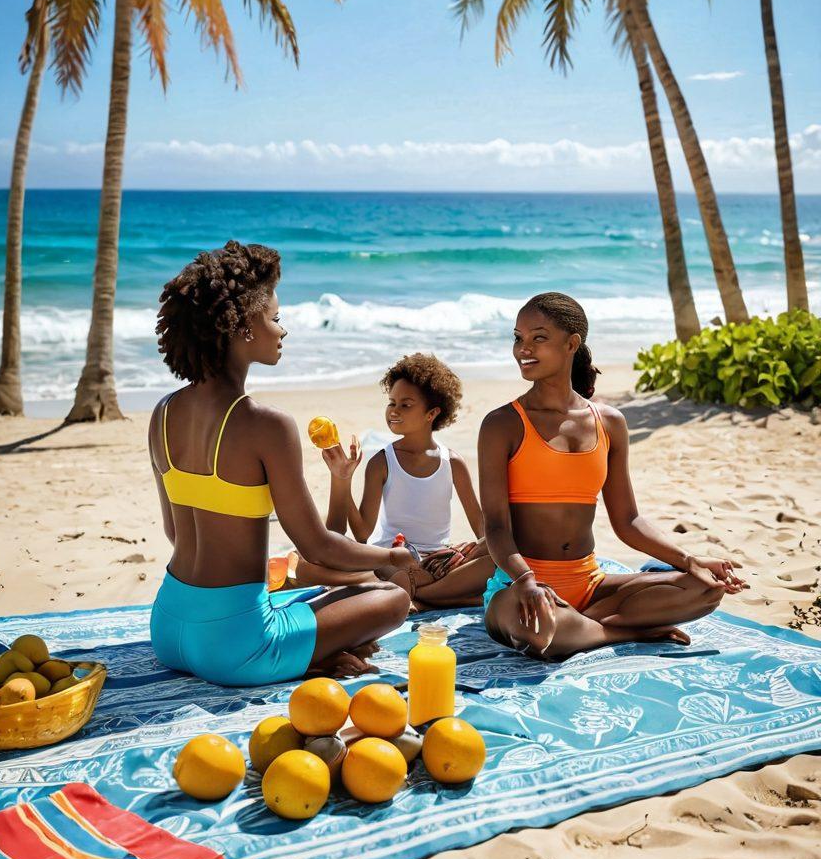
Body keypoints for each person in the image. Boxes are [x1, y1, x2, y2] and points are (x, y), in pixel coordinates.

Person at [147, 241, 413, 686]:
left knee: (314, 599)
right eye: (275, 318)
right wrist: (393, 555)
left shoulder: (163, 413)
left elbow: (176, 531)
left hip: (167, 626)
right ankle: (311, 659)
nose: (282, 330)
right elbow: (319, 548)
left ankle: (308, 649)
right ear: (244, 326)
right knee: (390, 597)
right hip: (235, 647)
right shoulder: (265, 424)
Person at [479, 291, 748, 659]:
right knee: (538, 631)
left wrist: (690, 561)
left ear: (572, 343)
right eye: (518, 337)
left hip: (589, 585)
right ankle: (617, 632)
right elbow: (495, 527)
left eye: (538, 337)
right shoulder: (502, 424)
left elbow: (628, 520)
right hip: (519, 588)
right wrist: (525, 580)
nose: (523, 348)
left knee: (707, 588)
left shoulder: (609, 423)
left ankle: (584, 626)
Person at [294, 353, 494, 608]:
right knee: (306, 566)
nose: (394, 411)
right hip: (391, 561)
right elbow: (363, 533)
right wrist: (342, 479)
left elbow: (481, 531)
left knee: (497, 556)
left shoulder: (452, 462)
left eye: (405, 405)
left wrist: (483, 552)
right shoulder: (382, 462)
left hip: (438, 562)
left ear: (431, 413)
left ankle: (419, 595)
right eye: (392, 402)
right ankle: (435, 596)